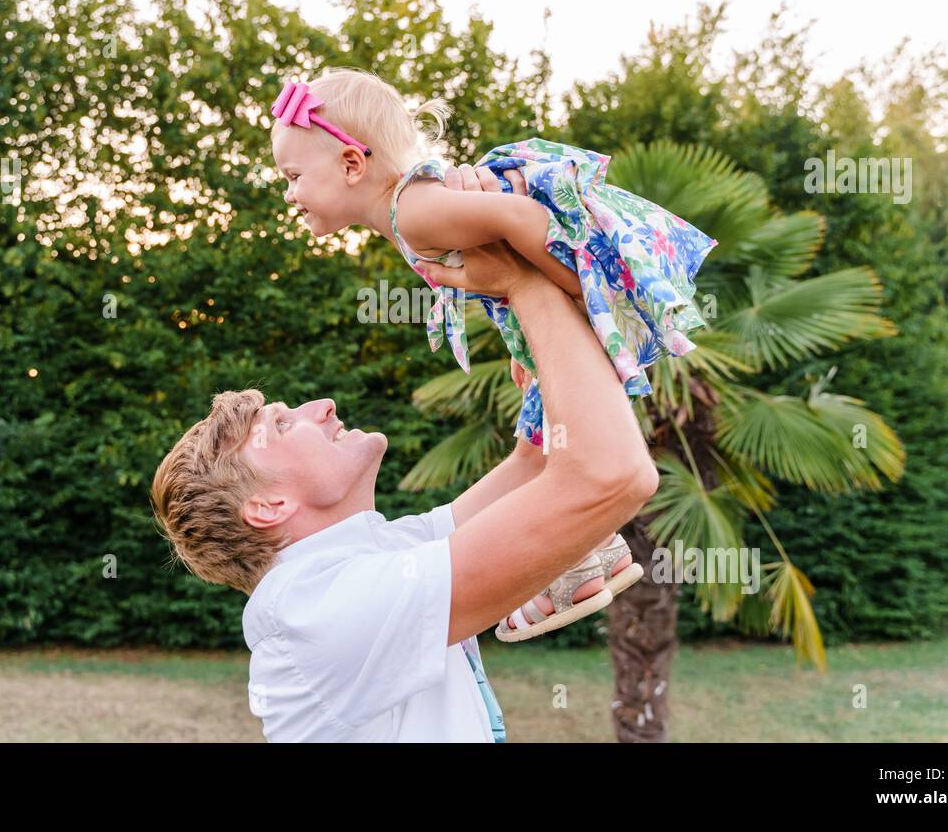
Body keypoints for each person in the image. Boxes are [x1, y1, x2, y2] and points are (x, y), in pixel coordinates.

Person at [150, 189, 659, 741]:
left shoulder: (378, 555)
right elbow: (611, 475)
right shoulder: (314, 610)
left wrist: (535, 343)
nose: (322, 407)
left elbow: (537, 462)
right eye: (279, 425)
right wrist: (524, 282)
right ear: (268, 505)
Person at [267, 68, 715, 637]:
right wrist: (526, 340)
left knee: (557, 438)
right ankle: (590, 555)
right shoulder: (408, 214)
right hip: (555, 288)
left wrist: (579, 296)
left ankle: (578, 560)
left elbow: (522, 219)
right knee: (544, 433)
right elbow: (500, 261)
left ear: (352, 166)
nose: (289, 192)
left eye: (294, 175)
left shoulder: (413, 213)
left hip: (581, 268)